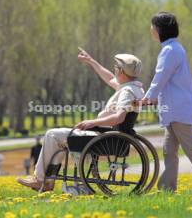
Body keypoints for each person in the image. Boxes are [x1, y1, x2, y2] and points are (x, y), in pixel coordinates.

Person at [17, 50, 144, 192]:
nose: (114, 71)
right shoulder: (133, 88)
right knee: (58, 138)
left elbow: (119, 117)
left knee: (52, 134)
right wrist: (91, 61)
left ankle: (41, 180)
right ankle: (46, 181)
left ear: (121, 71)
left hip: (105, 137)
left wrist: (93, 122)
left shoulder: (127, 91)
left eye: (116, 68)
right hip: (108, 135)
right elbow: (109, 78)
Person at [136, 11, 192, 192]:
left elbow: (160, 76)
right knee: (169, 151)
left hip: (177, 109)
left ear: (159, 29)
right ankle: (166, 190)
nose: (151, 29)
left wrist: (148, 97)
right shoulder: (173, 48)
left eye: (152, 26)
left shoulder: (169, 51)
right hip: (175, 109)